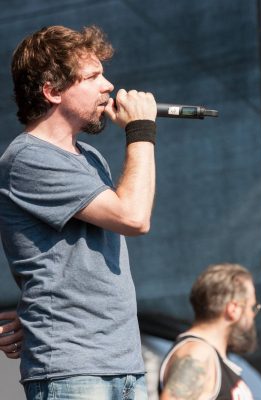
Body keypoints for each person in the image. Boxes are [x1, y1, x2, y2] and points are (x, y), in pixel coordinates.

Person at [0, 25, 157, 400]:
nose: (109, 86)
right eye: (92, 77)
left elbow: (71, 264)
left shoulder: (90, 157)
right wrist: (140, 131)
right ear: (52, 91)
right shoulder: (28, 159)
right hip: (73, 369)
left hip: (124, 363)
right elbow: (133, 217)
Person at [159, 263, 261, 400]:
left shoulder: (208, 354)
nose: (252, 315)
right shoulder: (198, 353)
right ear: (234, 309)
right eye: (252, 307)